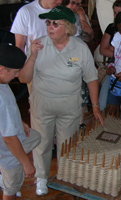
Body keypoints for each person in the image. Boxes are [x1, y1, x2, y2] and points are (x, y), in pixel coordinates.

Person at [18, 6, 104, 196]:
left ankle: (65, 175)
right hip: (43, 103)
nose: (50, 27)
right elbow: (23, 78)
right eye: (48, 23)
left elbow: (91, 78)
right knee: (42, 142)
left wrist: (95, 106)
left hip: (69, 105)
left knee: (67, 144)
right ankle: (41, 177)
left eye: (55, 23)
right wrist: (32, 55)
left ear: (68, 27)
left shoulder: (80, 48)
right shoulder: (38, 44)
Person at [0, 43, 41, 200]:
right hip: (8, 154)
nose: (17, 76)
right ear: (2, 69)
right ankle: (8, 179)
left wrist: (19, 121)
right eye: (15, 72)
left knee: (35, 136)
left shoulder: (2, 82)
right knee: (11, 189)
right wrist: (26, 163)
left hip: (6, 141)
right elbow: (9, 138)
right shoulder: (3, 100)